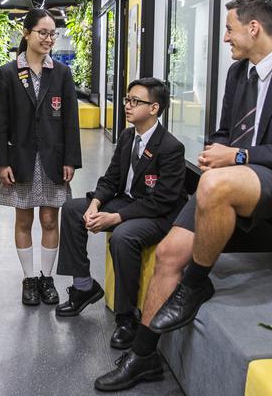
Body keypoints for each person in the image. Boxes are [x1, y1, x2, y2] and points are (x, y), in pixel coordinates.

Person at [94, 0, 272, 392]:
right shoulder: (237, 74)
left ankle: (196, 283)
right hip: (233, 181)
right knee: (170, 250)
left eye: (230, 29)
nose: (225, 37)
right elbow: (225, 131)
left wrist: (236, 157)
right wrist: (214, 152)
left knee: (217, 183)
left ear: (254, 28)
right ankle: (143, 356)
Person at [56, 78, 187, 351]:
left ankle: (127, 318)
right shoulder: (128, 136)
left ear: (154, 108)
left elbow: (163, 201)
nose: (127, 105)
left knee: (123, 237)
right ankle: (83, 286)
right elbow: (111, 179)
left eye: (134, 101)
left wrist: (115, 218)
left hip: (157, 214)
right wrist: (95, 204)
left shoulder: (171, 148)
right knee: (72, 210)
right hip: (127, 202)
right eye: (127, 99)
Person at [0, 8, 82, 306]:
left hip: (53, 157)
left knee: (49, 219)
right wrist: (2, 162)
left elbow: (71, 120)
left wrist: (70, 159)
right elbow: (0, 122)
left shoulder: (61, 72)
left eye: (52, 34)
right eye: (43, 32)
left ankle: (46, 278)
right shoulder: (7, 73)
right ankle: (28, 279)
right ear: (26, 33)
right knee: (23, 219)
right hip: (21, 158)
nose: (48, 39)